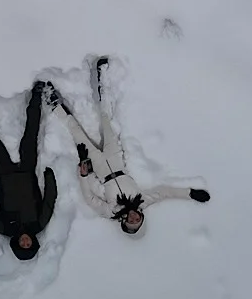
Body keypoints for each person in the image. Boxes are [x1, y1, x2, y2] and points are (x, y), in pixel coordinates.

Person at [47, 56, 209, 236]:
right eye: (137, 220)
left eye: (130, 222)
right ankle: (103, 76)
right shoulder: (142, 201)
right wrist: (190, 193)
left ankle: (52, 102)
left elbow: (90, 199)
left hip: (99, 168)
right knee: (106, 119)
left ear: (124, 222)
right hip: (116, 159)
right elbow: (165, 192)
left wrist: (84, 176)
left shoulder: (111, 212)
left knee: (77, 133)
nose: (133, 218)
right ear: (141, 216)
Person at [0, 81, 56, 261]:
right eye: (29, 244)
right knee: (31, 134)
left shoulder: (7, 229)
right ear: (34, 242)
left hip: (5, 175)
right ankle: (36, 96)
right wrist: (49, 177)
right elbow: (49, 201)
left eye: (23, 245)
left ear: (17, 244)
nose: (26, 241)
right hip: (27, 174)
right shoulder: (39, 224)